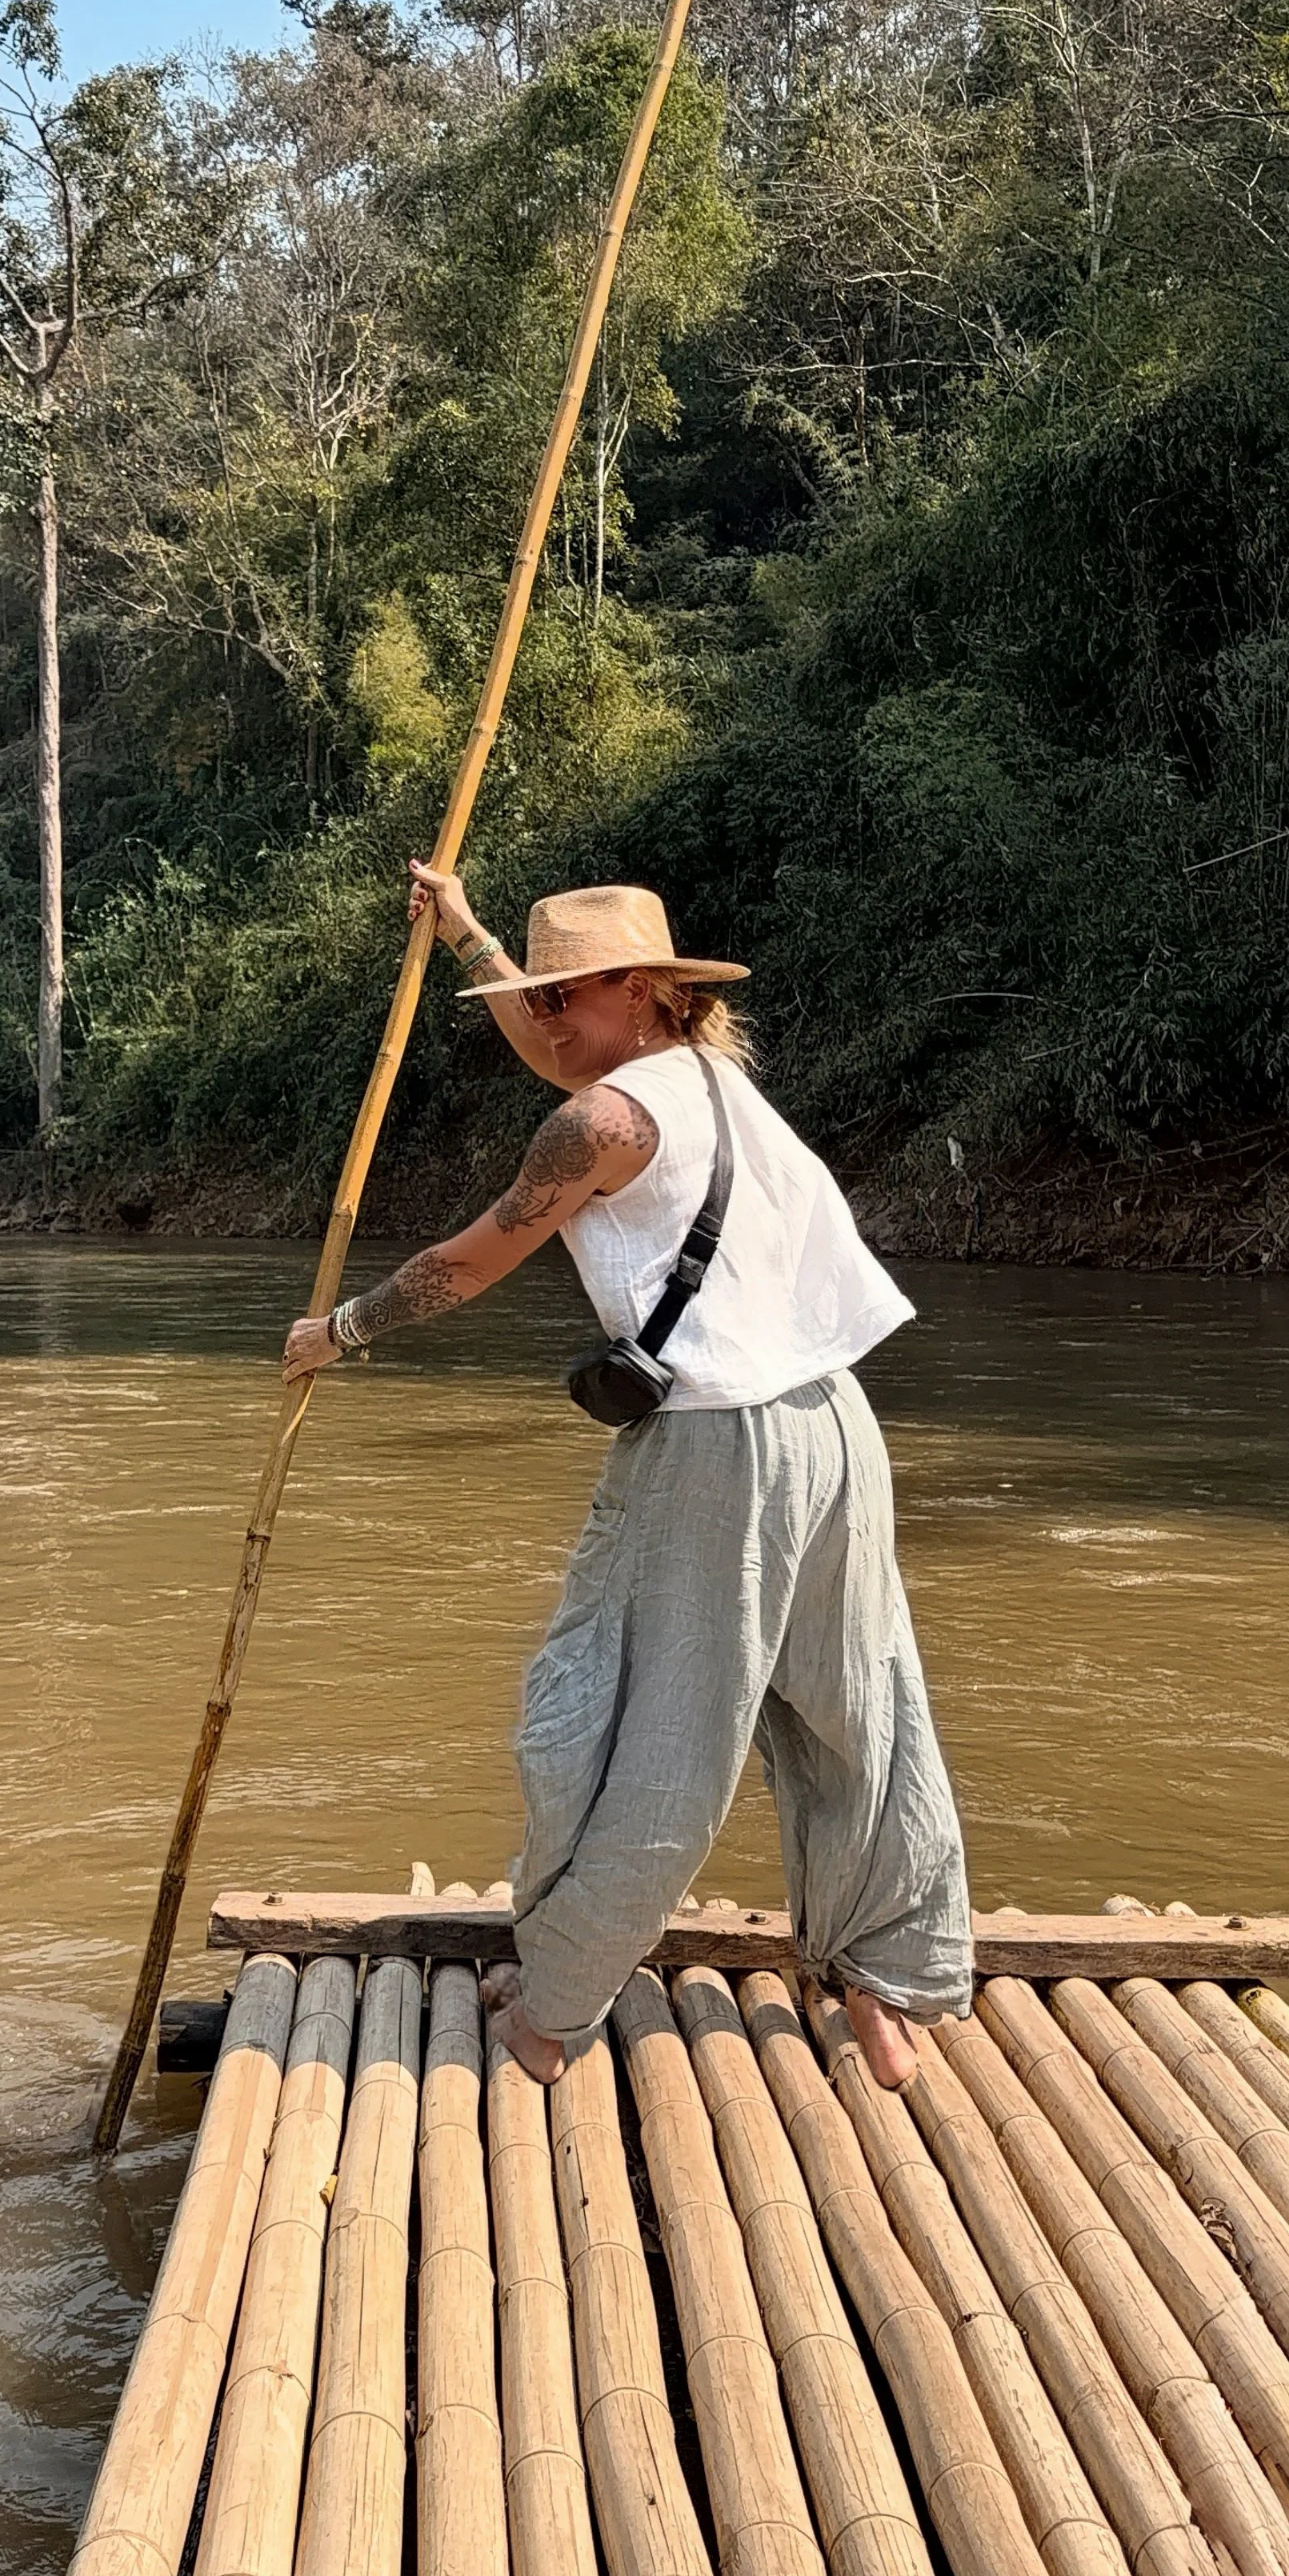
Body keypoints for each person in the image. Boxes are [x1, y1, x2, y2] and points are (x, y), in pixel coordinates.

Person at [282, 869, 971, 2089]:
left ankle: (551, 2012)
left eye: (568, 992)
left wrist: (342, 1332)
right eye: (537, 993)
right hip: (835, 1430)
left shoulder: (598, 1125)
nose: (545, 1016)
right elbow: (559, 1062)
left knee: (638, 1726)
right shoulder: (710, 1086)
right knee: (858, 1707)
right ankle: (886, 1987)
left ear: (644, 987)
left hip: (718, 1446)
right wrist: (470, 937)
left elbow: (472, 1260)